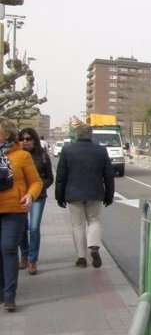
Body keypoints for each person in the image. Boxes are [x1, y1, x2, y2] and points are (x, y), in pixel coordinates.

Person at [55, 124, 115, 269]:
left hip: (73, 193)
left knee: (78, 225)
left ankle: (81, 258)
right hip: (95, 192)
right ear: (91, 134)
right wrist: (109, 194)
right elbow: (108, 175)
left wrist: (59, 196)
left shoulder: (67, 150)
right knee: (94, 221)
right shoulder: (101, 151)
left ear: (77, 134)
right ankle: (94, 247)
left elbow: (61, 176)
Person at [0, 118, 43, 312]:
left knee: (8, 248)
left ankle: (10, 295)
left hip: (14, 209)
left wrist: (30, 195)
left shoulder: (22, 156)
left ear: (7, 133)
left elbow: (36, 182)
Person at [18, 127, 54, 275]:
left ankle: (32, 260)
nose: (25, 142)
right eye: (22, 139)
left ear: (34, 139)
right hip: (20, 198)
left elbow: (49, 178)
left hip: (38, 197)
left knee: (33, 228)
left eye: (28, 139)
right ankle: (24, 256)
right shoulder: (17, 155)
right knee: (21, 228)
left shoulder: (43, 156)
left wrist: (38, 189)